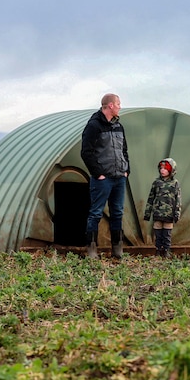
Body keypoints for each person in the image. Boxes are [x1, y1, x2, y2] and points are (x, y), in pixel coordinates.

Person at [80, 93, 129, 259]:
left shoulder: (118, 126)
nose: (120, 107)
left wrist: (126, 169)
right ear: (110, 106)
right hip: (103, 179)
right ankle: (92, 250)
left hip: (119, 177)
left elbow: (124, 150)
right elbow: (86, 152)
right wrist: (98, 173)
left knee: (117, 213)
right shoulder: (94, 126)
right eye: (118, 104)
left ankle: (117, 250)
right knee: (96, 213)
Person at [143, 158, 181, 258]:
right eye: (161, 168)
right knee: (158, 233)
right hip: (157, 213)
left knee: (167, 234)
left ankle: (166, 250)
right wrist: (147, 213)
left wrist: (177, 213)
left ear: (171, 170)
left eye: (165, 168)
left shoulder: (175, 183)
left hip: (169, 214)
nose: (162, 170)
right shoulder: (156, 183)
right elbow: (151, 198)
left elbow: (178, 199)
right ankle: (158, 250)